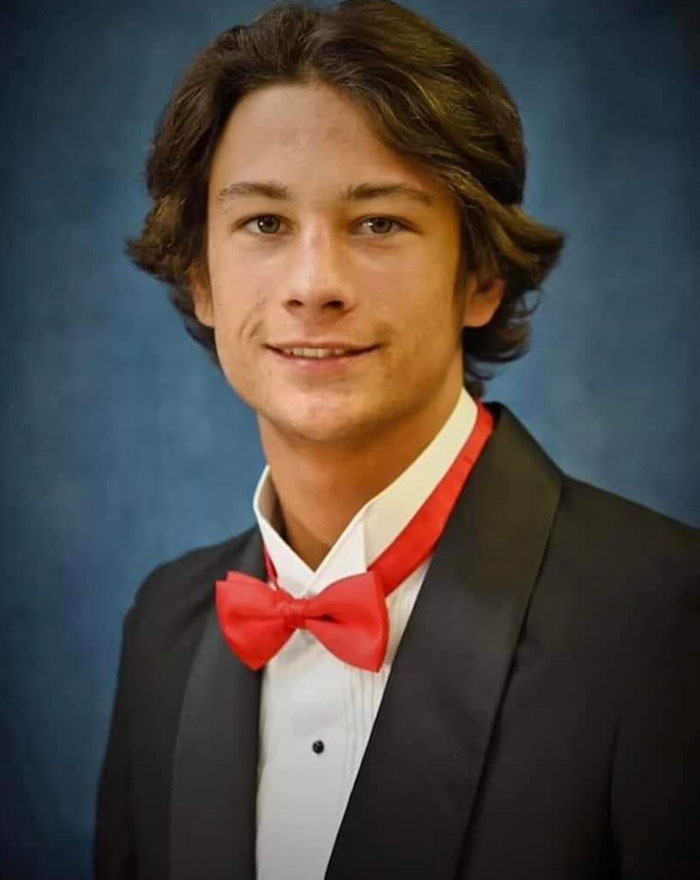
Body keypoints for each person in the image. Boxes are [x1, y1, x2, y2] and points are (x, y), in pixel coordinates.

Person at [93, 1, 700, 878]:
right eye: (263, 223)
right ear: (202, 281)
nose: (314, 285)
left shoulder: (665, 622)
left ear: (481, 276)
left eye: (379, 222)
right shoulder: (164, 627)